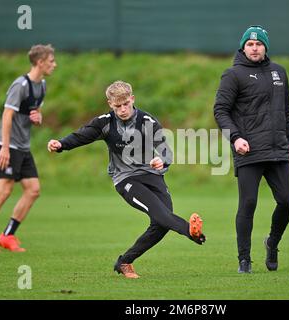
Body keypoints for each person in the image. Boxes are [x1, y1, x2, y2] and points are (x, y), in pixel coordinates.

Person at [47, 80, 206, 279]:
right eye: (117, 106)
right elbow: (81, 136)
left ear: (132, 99)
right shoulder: (105, 122)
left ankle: (124, 262)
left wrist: (161, 161)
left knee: (162, 222)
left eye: (126, 104)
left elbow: (165, 151)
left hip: (152, 176)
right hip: (126, 180)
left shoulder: (148, 121)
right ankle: (190, 231)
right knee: (160, 213)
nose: (122, 110)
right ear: (109, 104)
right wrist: (61, 144)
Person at [214, 26, 289, 273]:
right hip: (248, 151)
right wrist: (236, 138)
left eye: (259, 44)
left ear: (265, 47)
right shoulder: (233, 75)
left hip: (277, 149)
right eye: (250, 44)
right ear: (243, 47)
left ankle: (272, 243)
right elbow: (220, 111)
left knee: (287, 200)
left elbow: (286, 111)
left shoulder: (279, 72)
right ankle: (244, 260)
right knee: (248, 204)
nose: (255, 47)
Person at [0, 44, 57, 253]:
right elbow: (7, 116)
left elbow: (34, 113)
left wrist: (38, 118)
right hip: (8, 145)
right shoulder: (21, 85)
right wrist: (5, 148)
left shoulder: (42, 86)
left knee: (33, 190)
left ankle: (8, 235)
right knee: (5, 190)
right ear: (39, 62)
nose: (54, 64)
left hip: (23, 146)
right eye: (51, 61)